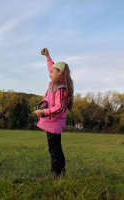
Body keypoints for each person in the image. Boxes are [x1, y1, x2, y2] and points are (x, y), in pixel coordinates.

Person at [34, 47, 74, 178]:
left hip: (53, 124)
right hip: (52, 123)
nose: (49, 73)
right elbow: (52, 67)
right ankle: (59, 172)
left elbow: (60, 108)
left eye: (52, 72)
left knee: (54, 149)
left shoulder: (60, 89)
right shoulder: (55, 83)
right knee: (55, 148)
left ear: (60, 73)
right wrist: (48, 57)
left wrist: (44, 112)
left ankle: (57, 174)